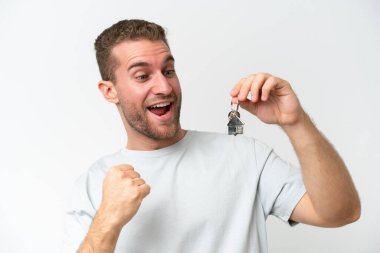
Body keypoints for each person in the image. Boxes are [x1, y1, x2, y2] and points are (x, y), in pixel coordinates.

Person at [63, 19, 361, 253]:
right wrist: (108, 220)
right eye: (142, 76)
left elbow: (341, 212)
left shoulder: (246, 156)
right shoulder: (93, 185)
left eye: (168, 71)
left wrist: (295, 122)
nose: (165, 87)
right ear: (109, 91)